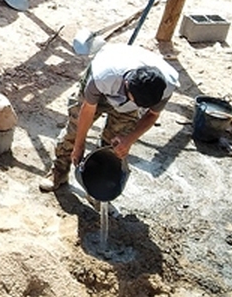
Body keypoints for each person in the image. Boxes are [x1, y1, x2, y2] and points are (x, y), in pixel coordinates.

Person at [39, 43, 179, 193]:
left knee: (115, 146)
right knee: (74, 131)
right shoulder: (104, 76)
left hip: (127, 101)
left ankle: (98, 184)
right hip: (99, 93)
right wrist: (79, 145)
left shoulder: (166, 85)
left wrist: (129, 140)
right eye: (134, 100)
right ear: (127, 85)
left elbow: (152, 114)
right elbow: (87, 110)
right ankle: (59, 170)